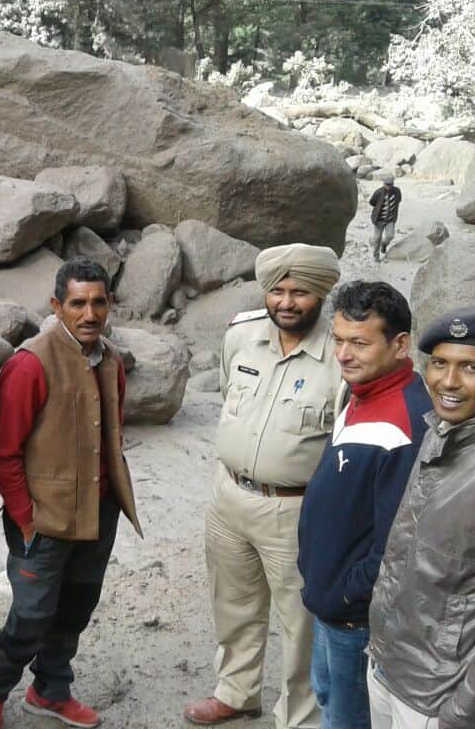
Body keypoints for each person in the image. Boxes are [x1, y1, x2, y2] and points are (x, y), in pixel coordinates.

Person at [0, 257, 144, 729]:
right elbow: (3, 451)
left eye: (98, 303)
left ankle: (50, 690)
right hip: (43, 519)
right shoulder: (31, 363)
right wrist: (25, 519)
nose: (89, 314)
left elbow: (110, 434)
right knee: (31, 614)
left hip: (99, 511)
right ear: (56, 306)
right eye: (77, 303)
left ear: (110, 304)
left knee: (75, 608)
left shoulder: (110, 360)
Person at [185, 243, 342, 729]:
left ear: (321, 294)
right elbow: (229, 391)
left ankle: (299, 716)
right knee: (232, 604)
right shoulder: (242, 335)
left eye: (300, 292)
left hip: (295, 511)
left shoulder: (340, 356)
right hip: (229, 497)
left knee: (300, 621)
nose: (286, 302)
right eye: (277, 291)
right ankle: (236, 693)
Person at [368, 306, 475, 729]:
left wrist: (463, 714)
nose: (448, 381)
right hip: (389, 664)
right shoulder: (445, 428)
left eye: (470, 368)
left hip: (435, 696)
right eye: (440, 363)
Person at [297, 281, 432, 729]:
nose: (343, 354)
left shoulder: (406, 423)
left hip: (354, 616)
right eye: (338, 340)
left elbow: (399, 542)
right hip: (332, 602)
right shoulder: (362, 393)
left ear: (400, 345)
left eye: (359, 342)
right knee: (328, 699)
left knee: (348, 718)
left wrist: (348, 596)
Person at [368, 176, 401, 262]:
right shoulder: (378, 192)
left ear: (393, 184)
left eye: (390, 185)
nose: (388, 186)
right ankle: (376, 256)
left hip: (390, 219)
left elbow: (399, 200)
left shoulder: (397, 191)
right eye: (387, 184)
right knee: (377, 238)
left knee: (390, 236)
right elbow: (372, 202)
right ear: (384, 184)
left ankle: (384, 244)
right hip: (379, 220)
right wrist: (379, 207)